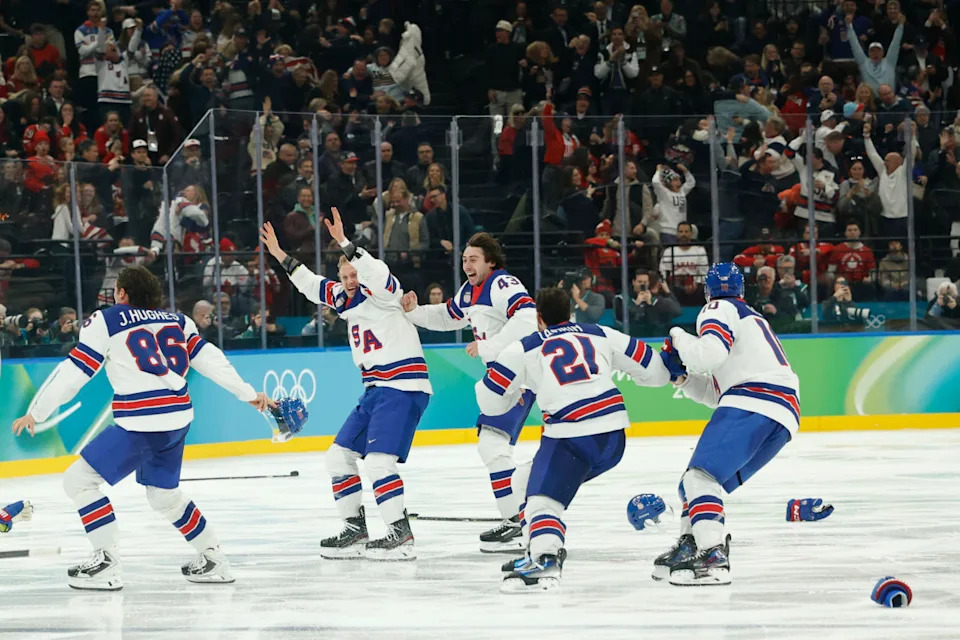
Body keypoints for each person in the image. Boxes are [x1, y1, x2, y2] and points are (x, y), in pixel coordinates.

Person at [11, 265, 272, 590]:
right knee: (164, 496)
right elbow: (211, 360)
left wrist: (37, 411)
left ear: (121, 293)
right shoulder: (178, 320)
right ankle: (215, 559)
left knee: (78, 481)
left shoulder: (105, 321)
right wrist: (248, 394)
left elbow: (75, 371)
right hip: (178, 418)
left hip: (142, 421)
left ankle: (106, 563)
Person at [261, 208, 431, 560]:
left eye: (354, 274)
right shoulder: (342, 297)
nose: (351, 279)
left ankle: (400, 535)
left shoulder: (384, 292)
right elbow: (310, 284)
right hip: (375, 390)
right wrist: (280, 255)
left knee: (379, 462)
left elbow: (377, 271)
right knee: (338, 458)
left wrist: (345, 242)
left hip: (402, 385)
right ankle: (355, 530)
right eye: (345, 275)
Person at [477, 287, 670, 592]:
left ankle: (544, 557)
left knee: (542, 502)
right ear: (570, 313)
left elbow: (489, 402)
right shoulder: (601, 333)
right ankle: (534, 547)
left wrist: (513, 392)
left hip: (570, 435)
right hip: (612, 438)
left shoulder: (523, 348)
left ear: (538, 319)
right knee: (522, 482)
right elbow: (657, 372)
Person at [658, 263, 800, 586]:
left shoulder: (717, 308)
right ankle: (691, 542)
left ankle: (712, 555)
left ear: (708, 291)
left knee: (699, 477)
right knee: (693, 486)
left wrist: (678, 336)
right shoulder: (749, 316)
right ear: (742, 289)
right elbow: (715, 392)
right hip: (780, 413)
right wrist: (681, 378)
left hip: (755, 400)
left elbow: (707, 356)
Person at [401, 232, 537, 553]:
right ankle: (520, 518)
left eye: (473, 259)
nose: (467, 264)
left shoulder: (503, 284)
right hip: (506, 375)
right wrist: (414, 311)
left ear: (491, 261)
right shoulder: (471, 290)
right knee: (492, 446)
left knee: (492, 445)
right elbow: (448, 317)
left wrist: (489, 345)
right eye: (464, 259)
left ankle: (521, 520)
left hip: (520, 373)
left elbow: (529, 318)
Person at [651, 164, 695, 245]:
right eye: (675, 180)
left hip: (682, 231)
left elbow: (691, 183)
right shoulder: (664, 194)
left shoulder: (682, 192)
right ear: (668, 182)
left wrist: (685, 171)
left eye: (679, 179)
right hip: (668, 230)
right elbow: (655, 182)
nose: (678, 182)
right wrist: (658, 170)